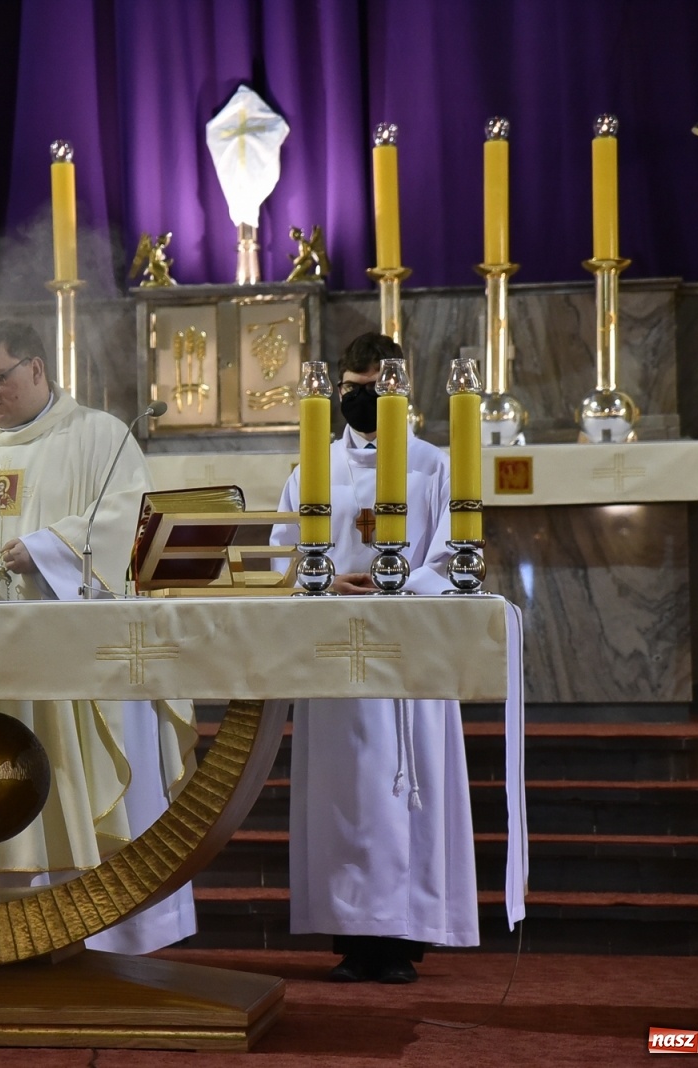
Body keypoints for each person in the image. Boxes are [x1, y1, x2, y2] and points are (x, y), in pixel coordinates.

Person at [0, 319, 200, 953]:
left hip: (75, 660)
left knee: (81, 780)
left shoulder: (97, 435)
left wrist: (46, 549)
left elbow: (128, 519)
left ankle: (118, 939)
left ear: (37, 368)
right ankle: (11, 930)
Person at [269, 331, 476, 983]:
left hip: (406, 646)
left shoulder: (434, 465)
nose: (361, 400)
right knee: (344, 798)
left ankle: (402, 941)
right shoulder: (310, 470)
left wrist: (399, 583)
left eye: (374, 389)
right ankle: (352, 939)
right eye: (351, 390)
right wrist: (327, 581)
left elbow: (451, 552)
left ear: (401, 388)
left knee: (405, 795)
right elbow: (282, 553)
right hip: (335, 654)